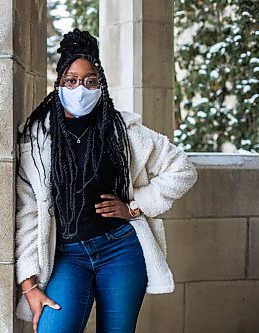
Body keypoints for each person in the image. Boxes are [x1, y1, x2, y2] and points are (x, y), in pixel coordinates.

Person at [15, 28, 198, 333]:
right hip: (67, 256)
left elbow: (182, 169)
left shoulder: (122, 130)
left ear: (101, 85)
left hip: (120, 251)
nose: (80, 89)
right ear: (59, 84)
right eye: (71, 81)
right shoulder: (37, 139)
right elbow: (27, 212)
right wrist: (29, 285)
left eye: (90, 81)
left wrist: (135, 206)